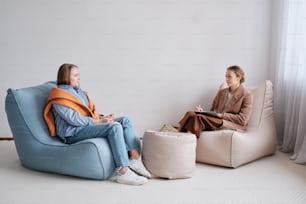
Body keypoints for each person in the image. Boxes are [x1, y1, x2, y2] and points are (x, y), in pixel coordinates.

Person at [44, 63, 151, 185]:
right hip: (72, 133)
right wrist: (99, 122)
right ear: (67, 77)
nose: (79, 78)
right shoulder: (59, 96)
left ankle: (135, 159)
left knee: (125, 120)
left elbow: (87, 113)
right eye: (76, 75)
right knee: (114, 127)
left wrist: (102, 117)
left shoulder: (79, 92)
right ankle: (122, 171)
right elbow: (73, 119)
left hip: (86, 126)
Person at [178, 65, 253, 138]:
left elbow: (243, 120)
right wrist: (203, 112)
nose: (226, 79)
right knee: (190, 113)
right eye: (226, 76)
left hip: (231, 123)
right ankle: (179, 135)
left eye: (229, 76)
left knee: (198, 118)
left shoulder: (247, 95)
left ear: (238, 77)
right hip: (216, 119)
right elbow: (213, 111)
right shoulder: (222, 92)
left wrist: (222, 115)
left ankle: (184, 140)